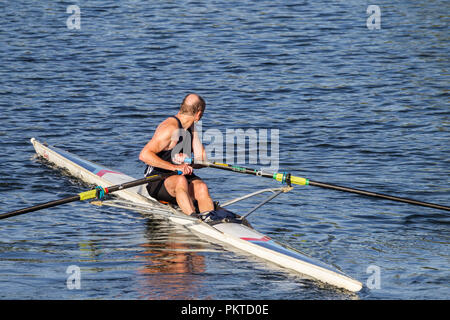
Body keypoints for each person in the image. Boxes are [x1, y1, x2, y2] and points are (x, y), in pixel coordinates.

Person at [139, 93, 214, 217]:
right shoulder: (169, 128)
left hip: (181, 176)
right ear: (199, 114)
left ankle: (211, 219)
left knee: (201, 187)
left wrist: (189, 161)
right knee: (180, 180)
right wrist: (174, 167)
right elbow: (144, 155)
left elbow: (202, 161)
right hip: (158, 179)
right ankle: (193, 217)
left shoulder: (192, 128)